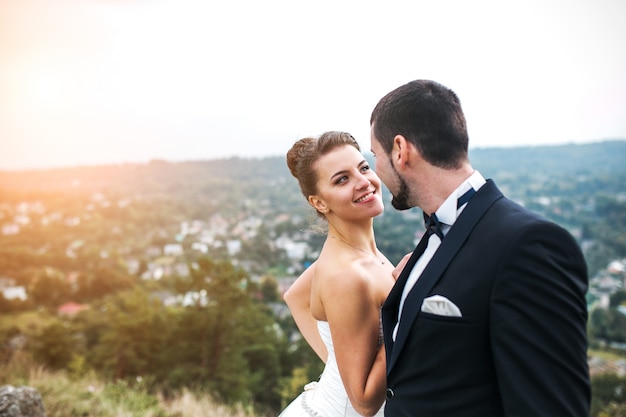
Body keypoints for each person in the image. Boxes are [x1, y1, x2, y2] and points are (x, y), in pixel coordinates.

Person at [369, 79, 590, 416]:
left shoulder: (528, 245)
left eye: (375, 155)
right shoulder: (432, 236)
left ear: (400, 150)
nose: (376, 170)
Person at [279, 131, 395, 417]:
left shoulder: (350, 254)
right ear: (319, 202)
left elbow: (295, 297)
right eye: (342, 179)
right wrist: (408, 312)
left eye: (363, 168)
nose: (363, 182)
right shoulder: (346, 275)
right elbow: (364, 402)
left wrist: (339, 362)